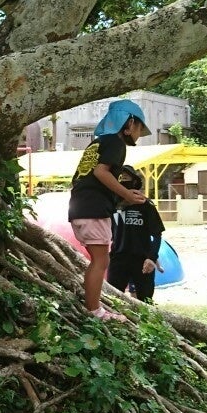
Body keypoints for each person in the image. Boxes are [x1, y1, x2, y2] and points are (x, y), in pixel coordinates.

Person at [68, 99, 150, 321]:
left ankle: (93, 306)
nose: (139, 134)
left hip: (80, 208)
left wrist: (122, 197)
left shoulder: (98, 143)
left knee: (98, 260)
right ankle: (94, 311)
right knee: (100, 261)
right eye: (140, 127)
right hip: (93, 210)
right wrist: (127, 194)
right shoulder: (116, 143)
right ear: (130, 123)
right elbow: (100, 173)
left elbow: (86, 179)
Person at [107, 165, 165, 302]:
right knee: (113, 299)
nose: (123, 181)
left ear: (134, 182)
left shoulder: (145, 205)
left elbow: (157, 234)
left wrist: (151, 258)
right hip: (118, 258)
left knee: (146, 300)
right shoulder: (111, 205)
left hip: (142, 260)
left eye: (126, 178)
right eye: (120, 179)